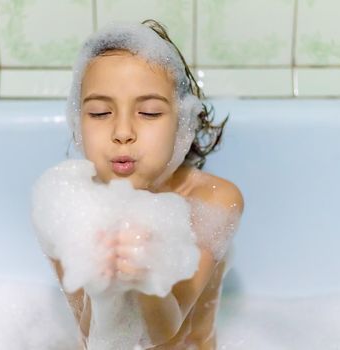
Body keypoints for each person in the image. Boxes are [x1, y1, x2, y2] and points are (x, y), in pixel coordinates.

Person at [47, 19, 244, 349]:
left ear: (181, 120)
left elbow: (169, 329)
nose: (123, 132)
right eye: (99, 113)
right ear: (77, 120)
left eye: (149, 112)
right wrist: (102, 282)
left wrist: (146, 274)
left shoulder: (212, 202)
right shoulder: (67, 203)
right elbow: (91, 333)